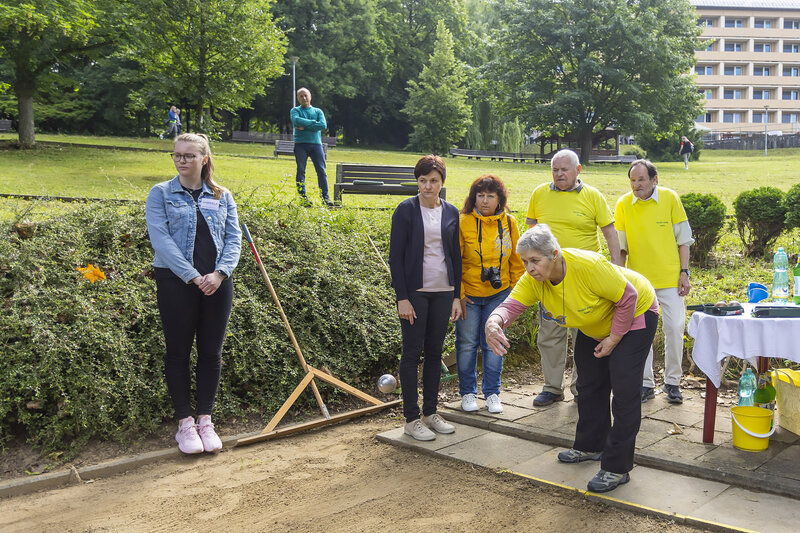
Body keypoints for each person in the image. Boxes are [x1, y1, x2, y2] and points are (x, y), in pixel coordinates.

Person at [485, 224, 658, 493]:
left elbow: (629, 297)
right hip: (594, 323)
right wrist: (494, 322)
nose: (529, 268)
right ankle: (591, 446)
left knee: (624, 391)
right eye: (525, 262)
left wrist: (613, 339)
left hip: (636, 314)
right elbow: (512, 305)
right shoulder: (534, 279)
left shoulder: (588, 266)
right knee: (589, 384)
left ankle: (617, 467)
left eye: (535, 261)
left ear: (554, 254)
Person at [145, 133, 242, 454]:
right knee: (178, 352)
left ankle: (205, 420)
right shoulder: (161, 193)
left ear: (204, 159)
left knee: (211, 353)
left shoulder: (222, 195)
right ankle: (185, 423)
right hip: (176, 283)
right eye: (177, 155)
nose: (181, 160)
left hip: (217, 283)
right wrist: (192, 276)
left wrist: (220, 273)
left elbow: (234, 238)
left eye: (188, 155)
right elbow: (161, 241)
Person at [525, 149, 621, 406]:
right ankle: (552, 387)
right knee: (550, 333)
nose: (559, 174)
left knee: (585, 335)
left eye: (564, 169)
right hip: (550, 278)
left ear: (578, 170)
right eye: (555, 170)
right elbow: (531, 232)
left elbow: (610, 232)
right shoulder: (539, 194)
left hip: (585, 279)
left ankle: (582, 388)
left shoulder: (593, 196)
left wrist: (616, 267)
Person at [389, 154, 462, 441]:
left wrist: (456, 295)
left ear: (442, 182)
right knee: (411, 353)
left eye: (433, 181)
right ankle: (411, 419)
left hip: (443, 292)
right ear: (417, 181)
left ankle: (430, 413)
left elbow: (455, 256)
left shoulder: (451, 212)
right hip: (415, 295)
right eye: (422, 181)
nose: (427, 186)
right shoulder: (405, 210)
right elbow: (395, 258)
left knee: (435, 353)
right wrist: (402, 297)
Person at [615, 159, 694, 404]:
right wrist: (620, 279)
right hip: (638, 282)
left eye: (641, 180)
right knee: (641, 333)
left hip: (670, 279)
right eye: (632, 180)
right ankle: (645, 383)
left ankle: (673, 382)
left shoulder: (670, 198)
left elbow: (684, 240)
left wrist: (684, 272)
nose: (636, 185)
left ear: (654, 179)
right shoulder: (623, 204)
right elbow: (621, 248)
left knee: (675, 328)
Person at [456, 175, 525, 414]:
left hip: (499, 294)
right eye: (480, 195)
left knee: (494, 342)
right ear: (473, 197)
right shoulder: (463, 222)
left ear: (500, 199)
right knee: (467, 344)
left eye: (490, 196)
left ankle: (492, 393)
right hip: (469, 295)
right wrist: (459, 294)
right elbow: (454, 262)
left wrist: (516, 296)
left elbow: (517, 261)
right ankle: (467, 392)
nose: (485, 201)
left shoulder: (510, 222)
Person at [290, 87, 332, 207]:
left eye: (306, 95)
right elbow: (296, 121)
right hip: (300, 145)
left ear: (310, 96)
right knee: (301, 171)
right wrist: (314, 123)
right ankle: (303, 198)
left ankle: (325, 198)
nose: (304, 98)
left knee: (321, 171)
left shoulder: (318, 111)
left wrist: (305, 126)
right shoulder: (295, 110)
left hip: (316, 145)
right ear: (298, 98)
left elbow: (323, 125)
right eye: (301, 96)